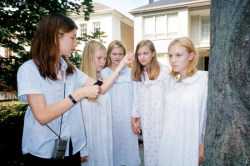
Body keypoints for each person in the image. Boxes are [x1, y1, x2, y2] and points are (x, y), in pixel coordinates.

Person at [17, 13, 100, 166]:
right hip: (41, 150)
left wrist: (118, 67)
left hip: (71, 148)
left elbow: (98, 87)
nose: (76, 43)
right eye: (72, 38)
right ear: (56, 37)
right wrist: (78, 94)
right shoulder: (29, 70)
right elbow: (42, 116)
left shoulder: (69, 68)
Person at [80, 40, 134, 166]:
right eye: (99, 58)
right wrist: (82, 148)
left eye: (104, 58)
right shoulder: (80, 79)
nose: (102, 62)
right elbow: (77, 119)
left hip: (104, 137)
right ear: (89, 57)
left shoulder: (101, 78)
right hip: (90, 140)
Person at [158, 37, 208, 166]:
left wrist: (204, 144)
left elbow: (208, 115)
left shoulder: (203, 80)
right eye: (170, 56)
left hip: (190, 146)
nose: (173, 60)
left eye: (178, 55)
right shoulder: (172, 86)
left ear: (191, 55)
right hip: (169, 146)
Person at [131, 40, 171, 166]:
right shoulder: (139, 74)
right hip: (147, 120)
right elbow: (136, 98)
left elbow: (170, 98)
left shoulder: (164, 72)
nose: (142, 57)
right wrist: (135, 117)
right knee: (150, 152)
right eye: (139, 54)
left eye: (145, 53)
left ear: (153, 54)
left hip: (163, 119)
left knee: (164, 151)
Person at [101, 40, 141, 166]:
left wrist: (136, 117)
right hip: (110, 118)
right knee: (112, 154)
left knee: (128, 153)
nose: (117, 57)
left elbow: (137, 96)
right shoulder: (103, 73)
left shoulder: (131, 72)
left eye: (120, 54)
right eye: (114, 54)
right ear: (109, 55)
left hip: (127, 119)